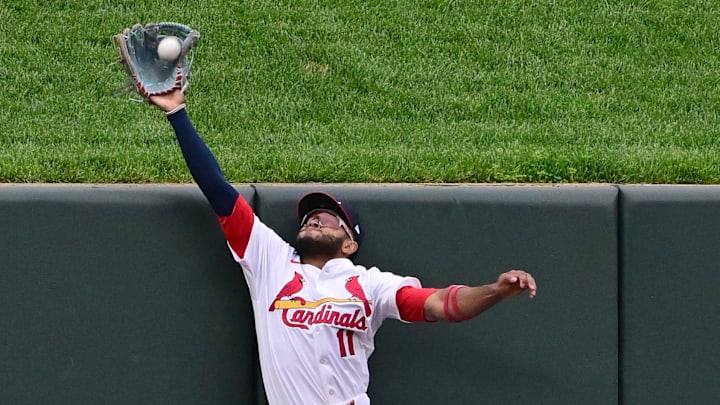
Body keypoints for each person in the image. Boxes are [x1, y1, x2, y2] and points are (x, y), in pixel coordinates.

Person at [148, 89, 538, 405]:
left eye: (328, 217)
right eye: (309, 217)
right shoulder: (270, 262)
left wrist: (497, 290)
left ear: (350, 243)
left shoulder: (371, 285)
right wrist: (177, 114)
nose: (314, 219)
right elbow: (218, 190)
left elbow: (440, 304)